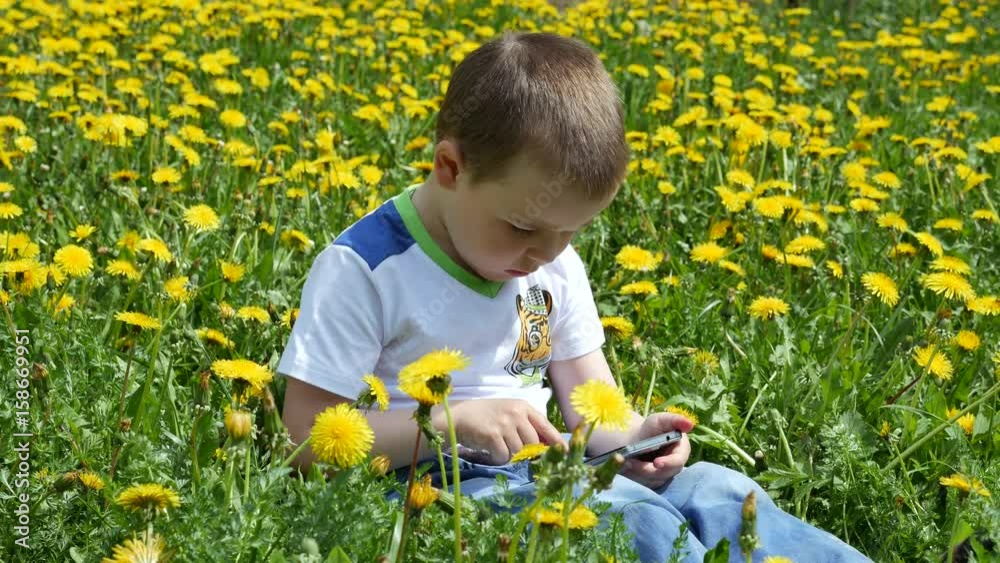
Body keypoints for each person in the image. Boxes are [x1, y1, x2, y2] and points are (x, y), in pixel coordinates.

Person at [277, 31, 872, 562]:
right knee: (631, 521)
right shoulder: (367, 269)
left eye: (571, 231)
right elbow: (303, 436)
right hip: (430, 487)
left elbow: (593, 407)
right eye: (522, 226)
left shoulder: (550, 262)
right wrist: (449, 423)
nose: (547, 252)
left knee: (722, 491)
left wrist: (638, 437)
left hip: (553, 465)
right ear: (450, 168)